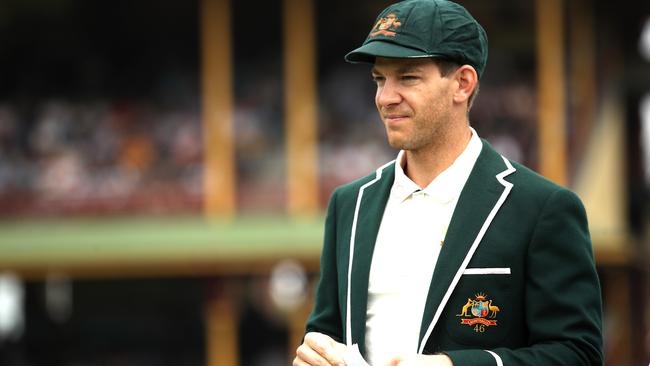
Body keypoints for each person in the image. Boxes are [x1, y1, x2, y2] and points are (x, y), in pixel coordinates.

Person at [293, 0, 603, 365]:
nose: (385, 97)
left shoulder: (542, 207)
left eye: (407, 77)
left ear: (462, 83)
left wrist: (452, 365)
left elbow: (578, 354)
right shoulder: (350, 203)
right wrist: (315, 355)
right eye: (380, 78)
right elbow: (326, 334)